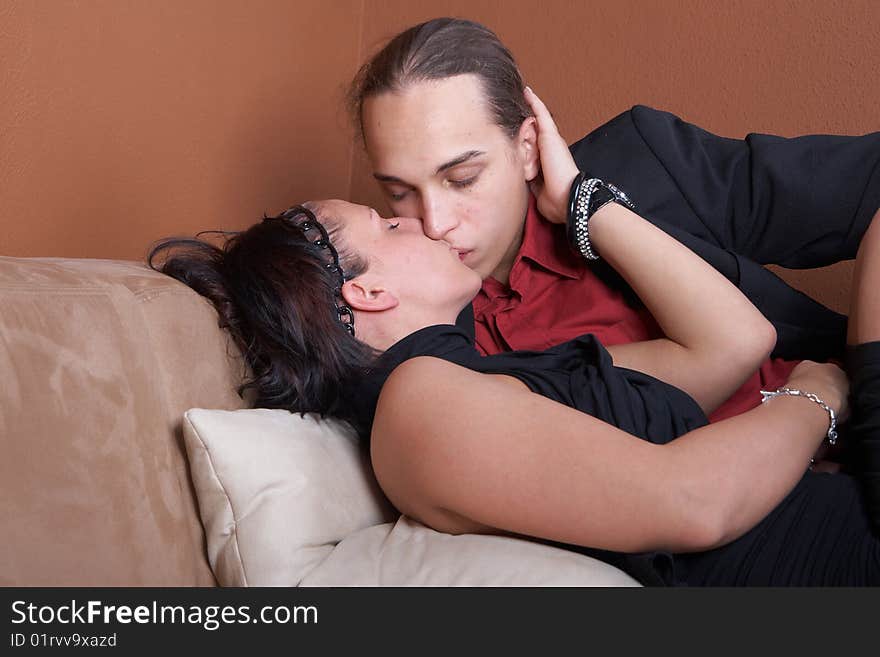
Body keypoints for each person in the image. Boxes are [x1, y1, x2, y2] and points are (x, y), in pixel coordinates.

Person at [149, 176, 880, 584]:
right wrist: (820, 397)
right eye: (389, 223)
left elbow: (735, 340)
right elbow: (694, 503)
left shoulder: (490, 380)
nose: (426, 222)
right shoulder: (420, 405)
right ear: (365, 293)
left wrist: (582, 202)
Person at [347, 15, 880, 526]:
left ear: (528, 149)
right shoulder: (433, 340)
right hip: (754, 515)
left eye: (462, 177)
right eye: (398, 193)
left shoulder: (644, 166)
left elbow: (862, 183)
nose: (435, 223)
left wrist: (588, 206)